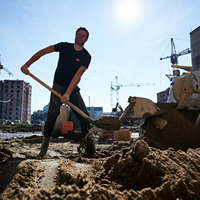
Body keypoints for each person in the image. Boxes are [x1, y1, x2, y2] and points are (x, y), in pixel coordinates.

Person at [21, 27, 91, 157]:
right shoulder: (64, 46)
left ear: (86, 39)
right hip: (58, 86)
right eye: (78, 34)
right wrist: (27, 65)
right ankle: (43, 149)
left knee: (85, 117)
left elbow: (78, 75)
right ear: (75, 35)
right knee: (52, 113)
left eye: (83, 36)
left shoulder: (86, 56)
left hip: (73, 88)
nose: (80, 37)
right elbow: (43, 52)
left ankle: (89, 149)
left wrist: (68, 93)